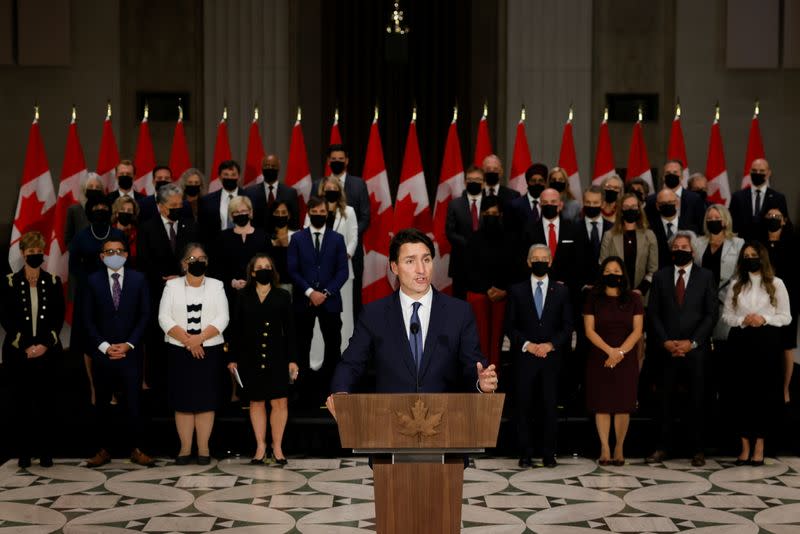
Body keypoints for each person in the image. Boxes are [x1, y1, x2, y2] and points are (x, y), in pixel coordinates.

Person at [328, 229, 498, 417]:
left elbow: (473, 366)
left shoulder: (459, 312)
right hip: (389, 423)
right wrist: (341, 392)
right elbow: (351, 363)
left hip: (445, 423)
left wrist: (481, 383)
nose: (421, 269)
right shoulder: (373, 314)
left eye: (426, 260)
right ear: (394, 267)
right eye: (410, 261)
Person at [645, 231, 718, 467]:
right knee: (665, 401)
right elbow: (653, 313)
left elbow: (710, 314)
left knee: (697, 400)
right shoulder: (660, 277)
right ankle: (662, 447)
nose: (680, 250)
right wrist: (665, 341)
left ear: (693, 251)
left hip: (695, 351)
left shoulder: (706, 276)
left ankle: (697, 449)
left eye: (684, 247)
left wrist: (692, 342)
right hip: (666, 350)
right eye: (676, 247)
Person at [83, 238, 155, 468]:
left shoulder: (139, 279)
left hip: (130, 353)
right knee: (102, 403)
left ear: (126, 254)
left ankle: (138, 449)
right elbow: (87, 319)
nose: (114, 254)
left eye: (118, 251)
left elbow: (145, 314)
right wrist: (104, 346)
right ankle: (102, 450)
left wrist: (129, 344)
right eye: (109, 251)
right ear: (102, 256)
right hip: (103, 353)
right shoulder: (91, 281)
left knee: (134, 403)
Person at [158, 243, 229, 464]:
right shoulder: (172, 286)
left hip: (210, 351)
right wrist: (189, 341)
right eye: (192, 259)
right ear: (183, 263)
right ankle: (185, 449)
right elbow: (164, 318)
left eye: (202, 258)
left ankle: (204, 449)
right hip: (179, 351)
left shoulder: (217, 285)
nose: (197, 262)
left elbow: (223, 318)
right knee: (183, 401)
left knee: (205, 400)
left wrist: (200, 338)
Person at [722, 241, 791, 466]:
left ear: (762, 258)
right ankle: (744, 446)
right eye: (746, 255)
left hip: (766, 342)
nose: (750, 258)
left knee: (763, 394)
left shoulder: (777, 284)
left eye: (754, 255)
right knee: (740, 393)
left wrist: (764, 319)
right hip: (740, 342)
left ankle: (759, 445)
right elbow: (727, 316)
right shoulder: (736, 284)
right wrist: (744, 319)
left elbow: (785, 316)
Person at [0, 231, 64, 468]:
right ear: (22, 253)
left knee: (47, 404)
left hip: (47, 353)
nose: (35, 256)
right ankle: (24, 453)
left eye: (39, 252)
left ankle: (46, 452)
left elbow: (58, 318)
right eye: (31, 252)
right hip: (19, 352)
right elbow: (6, 317)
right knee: (21, 404)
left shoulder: (54, 280)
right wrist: (26, 346)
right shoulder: (9, 282)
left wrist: (44, 345)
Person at [506, 244, 573, 468]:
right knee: (523, 406)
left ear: (551, 261)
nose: (540, 261)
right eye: (535, 258)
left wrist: (550, 345)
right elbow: (510, 326)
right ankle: (525, 453)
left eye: (544, 258)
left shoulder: (561, 291)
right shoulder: (516, 290)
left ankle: (548, 454)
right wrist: (528, 345)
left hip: (551, 358)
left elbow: (567, 325)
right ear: (528, 262)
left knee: (549, 406)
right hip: (525, 358)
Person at [228, 254, 299, 465]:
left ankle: (277, 447)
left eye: (268, 266)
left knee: (279, 402)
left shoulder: (282, 295)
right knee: (256, 402)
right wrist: (232, 358)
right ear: (252, 272)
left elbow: (291, 331)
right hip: (250, 357)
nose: (264, 270)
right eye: (259, 267)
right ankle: (260, 446)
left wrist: (293, 360)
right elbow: (236, 330)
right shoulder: (243, 296)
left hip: (277, 356)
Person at [137, 184, 199, 395]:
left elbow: (195, 256)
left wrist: (181, 278)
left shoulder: (190, 226)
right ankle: (157, 388)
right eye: (172, 206)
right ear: (161, 206)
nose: (177, 209)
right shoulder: (146, 228)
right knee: (157, 343)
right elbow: (144, 261)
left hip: (186, 292)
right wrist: (164, 280)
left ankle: (183, 385)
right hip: (157, 293)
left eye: (179, 205)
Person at [287, 196, 349, 406]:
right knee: (301, 347)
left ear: (327, 214)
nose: (319, 214)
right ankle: (300, 393)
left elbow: (342, 272)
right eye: (315, 211)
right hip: (304, 301)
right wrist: (310, 292)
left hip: (329, 302)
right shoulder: (297, 238)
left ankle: (332, 392)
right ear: (309, 212)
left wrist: (325, 293)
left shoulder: (337, 239)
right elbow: (292, 270)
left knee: (333, 348)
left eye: (323, 211)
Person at [584, 256, 644, 466]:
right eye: (608, 271)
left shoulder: (634, 298)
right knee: (602, 404)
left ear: (623, 275)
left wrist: (619, 354)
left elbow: (638, 330)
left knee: (622, 405)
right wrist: (609, 351)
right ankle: (604, 448)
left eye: (617, 271)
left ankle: (619, 447)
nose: (613, 274)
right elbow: (589, 330)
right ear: (602, 274)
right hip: (600, 355)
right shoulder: (593, 297)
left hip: (625, 358)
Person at [69, 197, 126, 405]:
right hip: (88, 292)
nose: (100, 210)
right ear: (89, 211)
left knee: (113, 337)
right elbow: (73, 266)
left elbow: (126, 260)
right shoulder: (81, 236)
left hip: (115, 290)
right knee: (90, 342)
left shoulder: (117, 234)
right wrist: (92, 282)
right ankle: (93, 388)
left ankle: (113, 389)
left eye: (104, 207)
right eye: (96, 207)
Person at [694, 204, 744, 421]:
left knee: (723, 360)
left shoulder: (738, 243)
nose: (713, 220)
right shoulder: (698, 242)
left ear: (725, 221)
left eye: (717, 217)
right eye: (710, 217)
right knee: (702, 363)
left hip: (726, 305)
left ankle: (723, 413)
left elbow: (740, 275)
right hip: (700, 306)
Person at [314, 144, 370, 315]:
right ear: (328, 161)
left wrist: (344, 246)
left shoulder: (359, 184)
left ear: (346, 161)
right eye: (334, 159)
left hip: (350, 255)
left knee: (352, 301)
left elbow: (365, 218)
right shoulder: (318, 184)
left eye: (340, 159)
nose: (337, 162)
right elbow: (312, 215)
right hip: (320, 255)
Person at [305, 176, 358, 355]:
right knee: (318, 317)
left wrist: (342, 257)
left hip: (342, 272)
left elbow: (353, 237)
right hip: (317, 273)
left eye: (334, 188)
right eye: (327, 188)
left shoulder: (349, 211)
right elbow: (306, 234)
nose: (330, 191)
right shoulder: (313, 210)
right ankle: (316, 354)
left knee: (342, 316)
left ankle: (344, 352)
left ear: (339, 190)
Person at [463, 196, 514, 368]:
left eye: (495, 213)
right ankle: (479, 374)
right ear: (482, 214)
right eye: (487, 213)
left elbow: (513, 267)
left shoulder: (509, 238)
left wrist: (503, 290)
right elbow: (468, 269)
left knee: (497, 339)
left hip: (502, 294)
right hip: (479, 292)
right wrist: (487, 289)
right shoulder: (473, 238)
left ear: (500, 214)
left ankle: (495, 373)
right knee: (480, 337)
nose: (491, 216)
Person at [759, 207, 798, 406]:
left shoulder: (793, 243)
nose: (773, 219)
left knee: (787, 346)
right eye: (769, 216)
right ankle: (767, 388)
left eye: (777, 217)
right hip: (762, 301)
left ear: (784, 221)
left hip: (788, 300)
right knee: (767, 345)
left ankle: (785, 389)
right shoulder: (759, 244)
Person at [600, 193, 659, 302]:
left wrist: (640, 290)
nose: (630, 210)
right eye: (626, 207)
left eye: (633, 207)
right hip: (614, 293)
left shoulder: (649, 235)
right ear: (621, 211)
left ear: (639, 209)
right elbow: (603, 265)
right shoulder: (609, 235)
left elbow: (653, 269)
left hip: (641, 295)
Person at [212, 195, 270, 300]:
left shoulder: (263, 236)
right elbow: (217, 267)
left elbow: (270, 266)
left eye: (244, 211)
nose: (241, 214)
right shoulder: (222, 238)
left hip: (259, 293)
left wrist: (252, 282)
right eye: (236, 212)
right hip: (229, 294)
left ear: (250, 212)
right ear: (231, 215)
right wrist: (232, 282)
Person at [446, 166, 486, 299]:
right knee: (459, 306)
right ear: (465, 182)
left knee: (481, 308)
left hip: (484, 264)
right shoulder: (455, 204)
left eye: (478, 179)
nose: (474, 182)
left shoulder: (492, 204)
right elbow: (450, 232)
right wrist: (469, 244)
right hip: (461, 264)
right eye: (470, 179)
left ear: (484, 183)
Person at [729, 158, 788, 241]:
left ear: (768, 173)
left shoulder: (778, 198)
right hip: (742, 245)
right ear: (750, 172)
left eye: (762, 171)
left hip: (767, 245)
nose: (758, 173)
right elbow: (731, 223)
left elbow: (784, 224)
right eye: (754, 170)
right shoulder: (737, 197)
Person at [645, 160, 705, 233]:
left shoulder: (695, 199)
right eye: (668, 173)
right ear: (663, 177)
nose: (671, 175)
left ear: (682, 176)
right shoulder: (651, 200)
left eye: (675, 172)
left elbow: (701, 227)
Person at [246, 154, 300, 232]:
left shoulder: (290, 192)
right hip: (258, 238)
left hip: (282, 238)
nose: (270, 168)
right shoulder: (250, 192)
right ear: (262, 168)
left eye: (273, 166)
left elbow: (294, 220)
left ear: (278, 168)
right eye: (267, 166)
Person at [198, 160, 244, 239]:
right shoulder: (207, 201)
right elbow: (202, 229)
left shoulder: (250, 197)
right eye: (226, 174)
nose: (230, 177)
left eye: (233, 175)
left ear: (239, 177)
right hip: (216, 247)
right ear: (219, 177)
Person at [66, 173, 105, 249]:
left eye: (97, 187)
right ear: (84, 189)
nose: (94, 189)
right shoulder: (74, 210)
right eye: (90, 186)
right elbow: (68, 239)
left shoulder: (106, 210)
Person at [647, 188, 684, 268]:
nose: (667, 205)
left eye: (670, 202)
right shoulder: (649, 229)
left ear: (677, 203)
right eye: (663, 203)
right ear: (657, 206)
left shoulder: (689, 227)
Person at [267, 201, 296, 291]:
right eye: (277, 212)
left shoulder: (297, 235)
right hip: (270, 285)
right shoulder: (265, 237)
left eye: (284, 212)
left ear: (289, 215)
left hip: (293, 285)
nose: (280, 215)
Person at [510, 163, 548, 228]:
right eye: (533, 181)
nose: (537, 183)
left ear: (545, 183)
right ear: (528, 182)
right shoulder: (515, 205)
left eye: (540, 181)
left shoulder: (550, 205)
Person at [111, 196, 140, 268]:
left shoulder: (140, 233)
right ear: (117, 213)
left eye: (129, 210)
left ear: (133, 214)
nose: (125, 212)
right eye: (122, 209)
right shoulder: (109, 232)